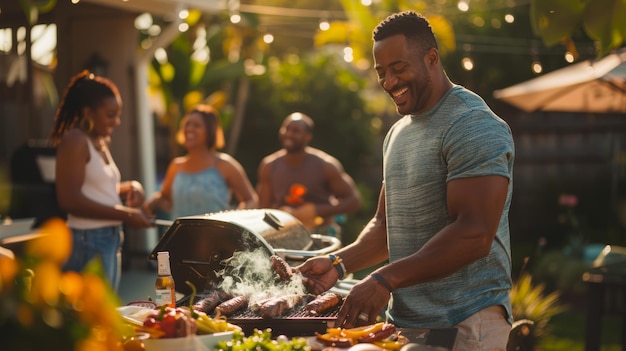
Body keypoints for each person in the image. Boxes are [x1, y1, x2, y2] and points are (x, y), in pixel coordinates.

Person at [297, 11, 515, 350]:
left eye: (398, 69)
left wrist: (385, 278)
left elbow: (474, 233)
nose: (389, 82)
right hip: (406, 325)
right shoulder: (397, 133)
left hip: (466, 324)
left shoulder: (472, 124)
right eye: (382, 72)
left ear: (431, 58)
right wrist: (339, 265)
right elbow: (387, 225)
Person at [49, 70, 154, 291]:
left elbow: (96, 188)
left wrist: (130, 187)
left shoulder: (98, 141)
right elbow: (70, 200)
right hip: (87, 241)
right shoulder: (75, 141)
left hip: (109, 237)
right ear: (88, 112)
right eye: (110, 115)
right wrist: (128, 215)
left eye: (118, 114)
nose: (116, 121)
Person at [256, 112, 361, 237]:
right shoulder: (269, 166)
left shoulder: (326, 165)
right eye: (286, 129)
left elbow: (354, 201)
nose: (289, 134)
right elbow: (263, 207)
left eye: (296, 131)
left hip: (321, 234)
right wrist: (282, 214)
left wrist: (317, 210)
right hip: (283, 234)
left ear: (308, 136)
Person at [144, 104, 257, 219]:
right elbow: (164, 198)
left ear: (210, 131)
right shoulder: (176, 165)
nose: (189, 129)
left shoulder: (225, 165)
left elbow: (251, 200)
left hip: (216, 236)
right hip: (180, 236)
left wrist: (234, 221)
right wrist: (147, 206)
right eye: (187, 124)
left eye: (196, 125)